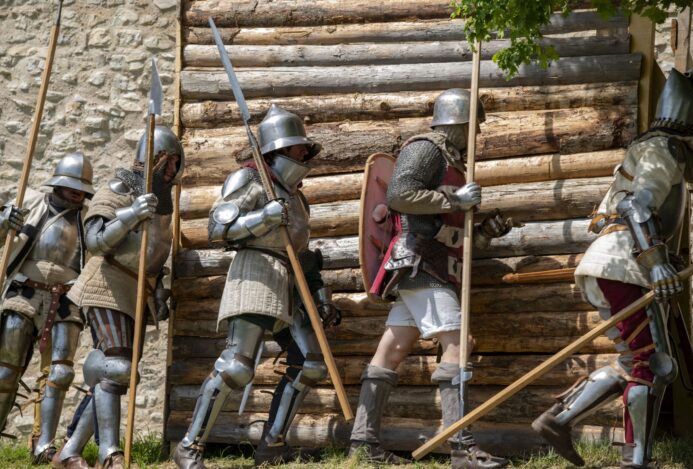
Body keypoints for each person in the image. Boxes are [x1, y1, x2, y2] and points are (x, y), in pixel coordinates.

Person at [531, 64, 693, 469]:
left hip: (622, 263)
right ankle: (635, 461)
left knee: (641, 363)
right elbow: (637, 206)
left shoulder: (659, 149)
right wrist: (658, 264)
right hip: (625, 262)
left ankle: (559, 421)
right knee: (652, 365)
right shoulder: (663, 148)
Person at [349, 89, 511, 468]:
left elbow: (450, 231)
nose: (477, 135)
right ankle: (462, 447)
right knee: (460, 342)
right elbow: (401, 195)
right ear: (458, 123)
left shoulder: (451, 162)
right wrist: (455, 199)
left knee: (392, 350)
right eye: (474, 127)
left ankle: (363, 444)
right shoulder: (427, 149)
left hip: (429, 263)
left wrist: (485, 231)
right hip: (423, 263)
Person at [173, 105, 336, 469]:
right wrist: (263, 217)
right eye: (297, 148)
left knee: (310, 364)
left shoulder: (297, 196)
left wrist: (321, 295)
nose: (304, 154)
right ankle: (189, 446)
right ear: (278, 149)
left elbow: (303, 253)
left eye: (304, 148)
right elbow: (217, 229)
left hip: (291, 282)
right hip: (257, 272)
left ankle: (272, 446)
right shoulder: (250, 180)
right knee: (237, 367)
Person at [64, 126, 183, 469]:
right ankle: (110, 454)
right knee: (116, 367)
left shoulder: (165, 204)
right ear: (150, 160)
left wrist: (158, 290)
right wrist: (131, 214)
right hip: (107, 282)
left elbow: (155, 254)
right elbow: (96, 241)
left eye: (177, 162)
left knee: (116, 376)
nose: (172, 169)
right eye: (166, 161)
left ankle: (69, 451)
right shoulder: (118, 189)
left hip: (138, 291)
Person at [0, 152, 94, 464]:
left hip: (66, 300)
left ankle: (44, 444)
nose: (77, 191)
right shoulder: (29, 202)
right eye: (72, 185)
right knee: (5, 372)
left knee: (61, 373)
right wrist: (4, 221)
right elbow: (3, 236)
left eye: (82, 187)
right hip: (24, 294)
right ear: (59, 183)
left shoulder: (88, 219)